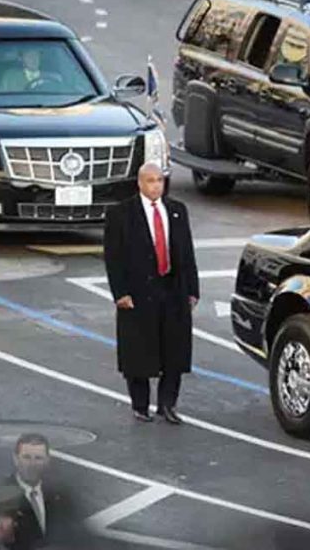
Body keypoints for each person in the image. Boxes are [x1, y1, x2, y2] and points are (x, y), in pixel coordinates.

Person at [104, 162, 200, 424]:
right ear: (140, 183)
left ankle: (168, 405)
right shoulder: (121, 214)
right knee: (139, 350)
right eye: (150, 181)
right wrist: (120, 292)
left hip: (172, 289)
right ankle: (140, 405)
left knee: (174, 350)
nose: (156, 185)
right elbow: (113, 257)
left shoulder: (177, 211)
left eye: (159, 180)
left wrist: (192, 290)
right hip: (138, 291)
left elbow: (187, 253)